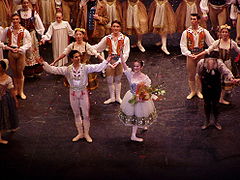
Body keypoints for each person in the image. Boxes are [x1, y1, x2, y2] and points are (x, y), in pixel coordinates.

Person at [37, 50, 110, 143]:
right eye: (76, 57)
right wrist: (43, 63)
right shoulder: (67, 69)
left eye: (79, 56)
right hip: (73, 94)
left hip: (83, 93)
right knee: (76, 114)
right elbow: (53, 70)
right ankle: (80, 133)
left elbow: (98, 67)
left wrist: (106, 60)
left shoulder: (85, 67)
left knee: (86, 115)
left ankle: (86, 133)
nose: (78, 58)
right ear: (71, 59)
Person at [194, 24, 240, 104]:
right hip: (217, 63)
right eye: (223, 32)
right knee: (217, 80)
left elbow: (238, 50)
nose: (225, 34)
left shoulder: (232, 43)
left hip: (227, 63)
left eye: (226, 32)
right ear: (220, 33)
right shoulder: (217, 42)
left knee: (225, 81)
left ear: (229, 33)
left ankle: (221, 98)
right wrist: (198, 55)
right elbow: (208, 50)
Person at [196, 52, 239, 130]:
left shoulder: (219, 63)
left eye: (212, 60)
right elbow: (198, 75)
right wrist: (199, 87)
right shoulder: (201, 63)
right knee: (206, 104)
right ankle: (207, 121)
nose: (210, 62)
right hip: (206, 87)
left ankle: (216, 121)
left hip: (216, 87)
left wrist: (232, 79)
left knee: (216, 105)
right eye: (208, 60)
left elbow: (226, 72)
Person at [119, 58, 157, 142]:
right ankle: (133, 135)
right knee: (135, 115)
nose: (135, 68)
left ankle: (143, 125)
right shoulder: (130, 74)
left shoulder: (145, 78)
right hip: (132, 97)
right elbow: (123, 64)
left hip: (140, 98)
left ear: (141, 67)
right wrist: (121, 53)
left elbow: (148, 88)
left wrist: (146, 96)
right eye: (134, 66)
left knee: (142, 112)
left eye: (137, 66)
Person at [93, 20, 130, 104]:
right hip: (110, 60)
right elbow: (98, 47)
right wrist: (87, 47)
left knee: (118, 79)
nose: (115, 28)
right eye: (114, 26)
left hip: (120, 61)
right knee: (109, 80)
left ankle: (118, 97)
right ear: (111, 27)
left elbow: (126, 52)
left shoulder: (125, 39)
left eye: (117, 26)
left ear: (120, 28)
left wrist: (119, 61)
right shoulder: (107, 38)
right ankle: (112, 97)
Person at [180, 13, 214, 100]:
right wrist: (189, 53)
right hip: (191, 55)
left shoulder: (203, 31)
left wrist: (206, 51)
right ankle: (192, 91)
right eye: (191, 19)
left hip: (200, 54)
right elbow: (183, 45)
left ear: (198, 20)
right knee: (191, 74)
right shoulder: (186, 32)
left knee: (199, 74)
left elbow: (212, 44)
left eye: (194, 19)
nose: (192, 21)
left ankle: (199, 90)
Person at [2, 13, 32, 100]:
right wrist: (6, 47)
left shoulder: (24, 31)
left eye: (17, 19)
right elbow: (2, 40)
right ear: (12, 20)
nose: (15, 21)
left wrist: (21, 49)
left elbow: (29, 43)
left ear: (19, 20)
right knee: (14, 72)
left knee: (20, 72)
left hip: (20, 53)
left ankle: (21, 91)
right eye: (14, 19)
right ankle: (15, 89)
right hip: (11, 52)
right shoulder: (8, 30)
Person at [17, 0, 45, 78]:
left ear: (29, 3)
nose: (25, 4)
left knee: (33, 51)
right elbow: (14, 24)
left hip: (31, 35)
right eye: (24, 3)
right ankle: (25, 71)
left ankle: (35, 70)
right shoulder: (18, 13)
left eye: (27, 3)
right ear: (21, 4)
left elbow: (39, 25)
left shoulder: (33, 12)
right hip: (22, 35)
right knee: (24, 52)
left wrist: (41, 35)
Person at [0, 59, 19, 144]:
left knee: (3, 116)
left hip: (3, 100)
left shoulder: (8, 78)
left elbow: (11, 90)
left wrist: (15, 100)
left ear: (3, 69)